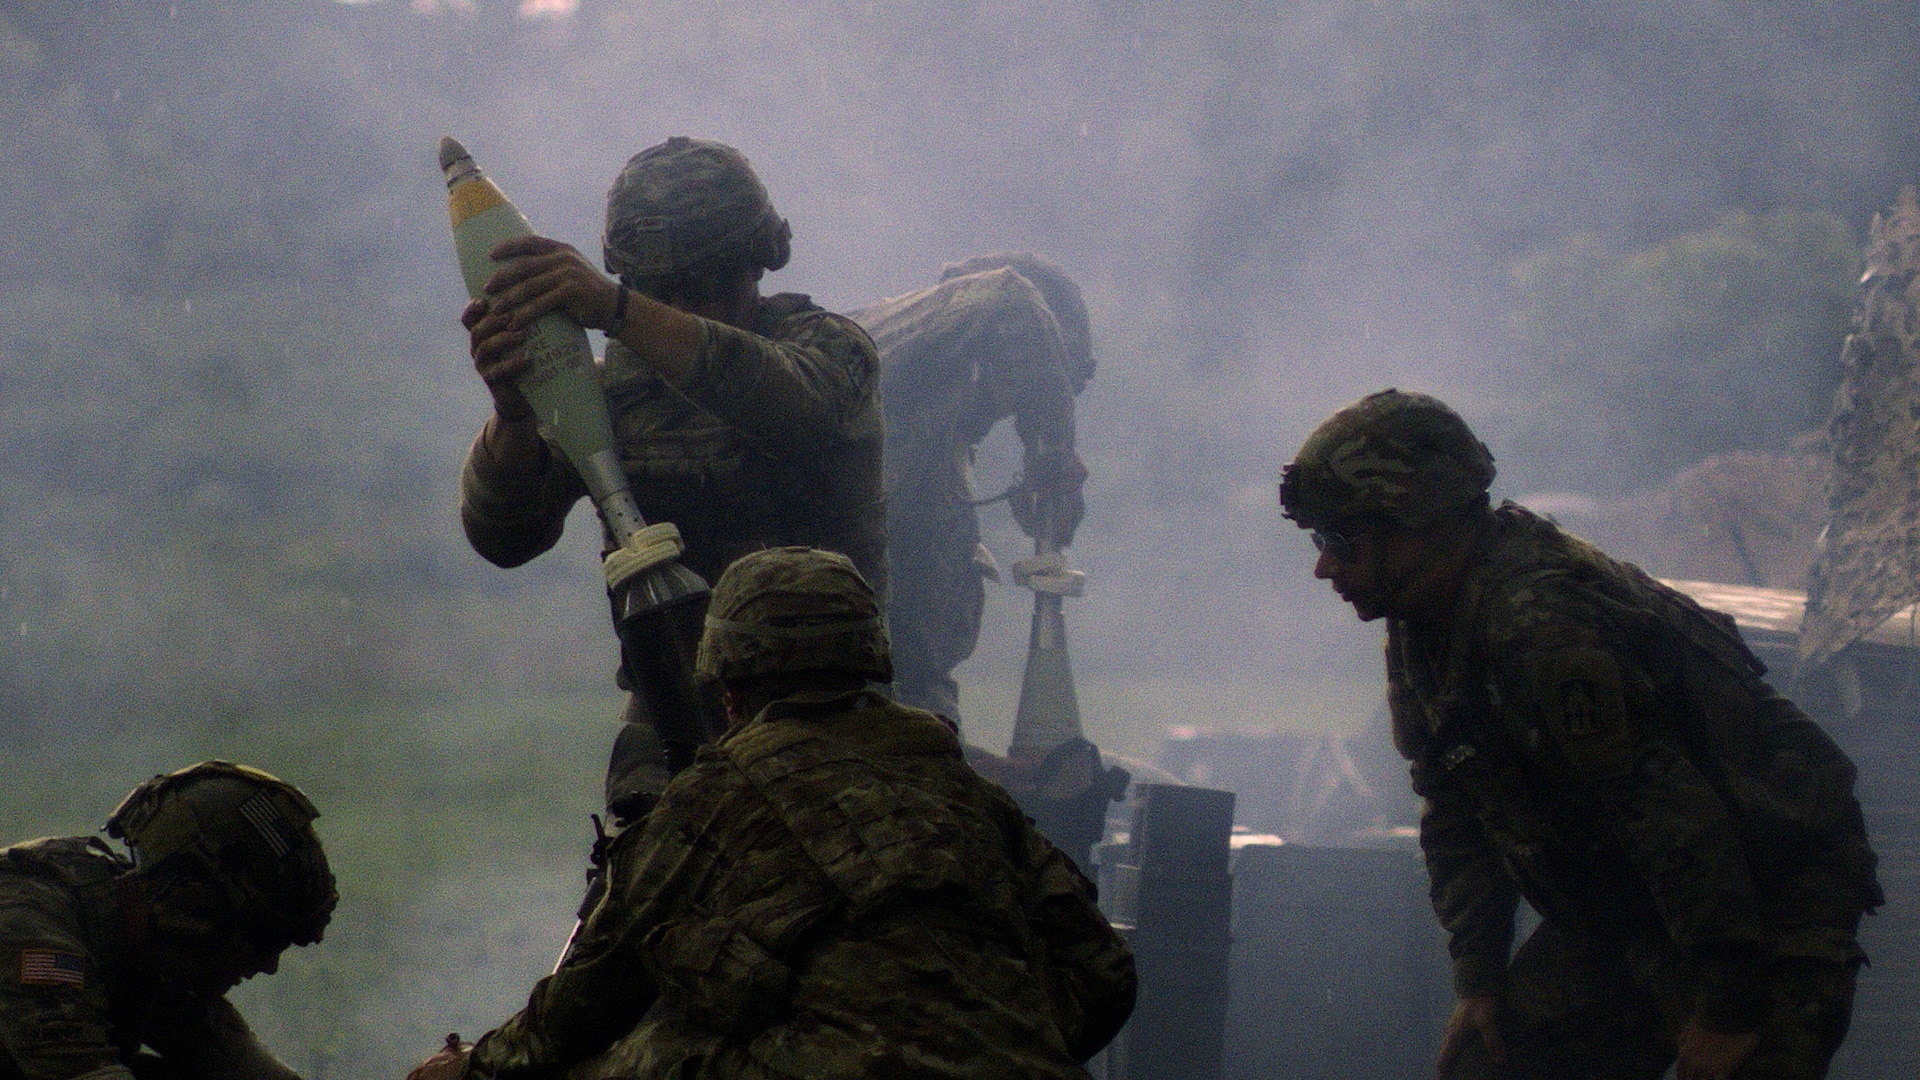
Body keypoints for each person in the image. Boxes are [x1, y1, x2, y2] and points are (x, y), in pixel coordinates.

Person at [1278, 389, 1881, 1080]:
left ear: (1420, 524)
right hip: (1632, 900)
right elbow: (1454, 801)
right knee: (1486, 1065)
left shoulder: (1539, 629)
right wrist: (1479, 979)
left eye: (1340, 541)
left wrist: (1726, 1010)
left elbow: (1676, 823)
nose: (1324, 567)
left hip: (1766, 890)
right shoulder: (1425, 625)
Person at [409, 547, 1135, 1080]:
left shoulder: (713, 794)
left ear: (728, 684)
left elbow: (586, 999)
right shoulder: (961, 786)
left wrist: (473, 1068)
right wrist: (985, 1040)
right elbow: (1103, 974)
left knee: (649, 1048)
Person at [457, 136, 886, 818]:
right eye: (662, 290)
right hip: (672, 733)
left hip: (832, 716)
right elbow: (504, 534)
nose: (688, 307)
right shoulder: (603, 402)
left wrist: (618, 312)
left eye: (710, 282)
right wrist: (514, 414)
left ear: (758, 265)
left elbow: (796, 406)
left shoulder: (828, 353)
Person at [851, 253, 1092, 724]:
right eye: (1033, 384)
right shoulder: (872, 357)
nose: (1004, 412)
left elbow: (915, 660)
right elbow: (1007, 298)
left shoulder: (939, 448)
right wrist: (1051, 451)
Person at [0, 760, 337, 1080]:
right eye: (261, 939)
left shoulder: (152, 945)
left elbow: (242, 1067)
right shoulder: (29, 929)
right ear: (194, 908)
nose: (268, 965)